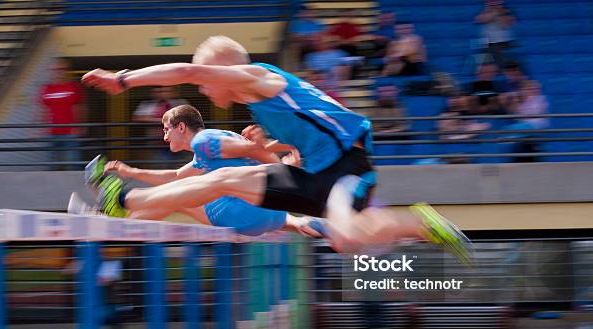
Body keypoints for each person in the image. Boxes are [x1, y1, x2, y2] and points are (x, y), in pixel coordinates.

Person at [81, 35, 471, 259]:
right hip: (313, 171)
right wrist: (278, 147)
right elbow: (313, 121)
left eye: (207, 82)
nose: (202, 89)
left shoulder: (259, 78)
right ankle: (124, 201)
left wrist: (123, 79)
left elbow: (188, 71)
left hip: (347, 168)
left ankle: (420, 223)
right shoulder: (260, 104)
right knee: (224, 180)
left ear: (224, 70)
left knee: (349, 239)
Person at [78, 105, 319, 238]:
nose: (164, 137)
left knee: (180, 198)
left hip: (243, 212)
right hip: (267, 217)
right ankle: (111, 219)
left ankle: (110, 218)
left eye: (166, 130)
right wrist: (131, 171)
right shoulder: (206, 151)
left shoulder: (203, 140)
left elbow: (254, 149)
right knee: (180, 194)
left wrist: (270, 149)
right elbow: (175, 176)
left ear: (181, 127)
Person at [40, 58, 86, 170]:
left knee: (73, 164)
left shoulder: (73, 87)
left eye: (61, 69)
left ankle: (75, 186)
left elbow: (80, 107)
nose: (58, 71)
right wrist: (41, 127)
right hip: (51, 133)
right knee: (51, 165)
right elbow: (43, 109)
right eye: (55, 69)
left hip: (70, 132)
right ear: (50, 71)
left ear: (66, 70)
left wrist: (80, 125)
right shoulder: (46, 89)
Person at [132, 86, 188, 167]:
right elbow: (137, 117)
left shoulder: (180, 103)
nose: (162, 94)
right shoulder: (147, 105)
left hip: (179, 141)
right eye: (159, 92)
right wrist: (161, 121)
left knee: (181, 166)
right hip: (158, 143)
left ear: (173, 93)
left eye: (166, 91)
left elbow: (188, 117)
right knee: (162, 166)